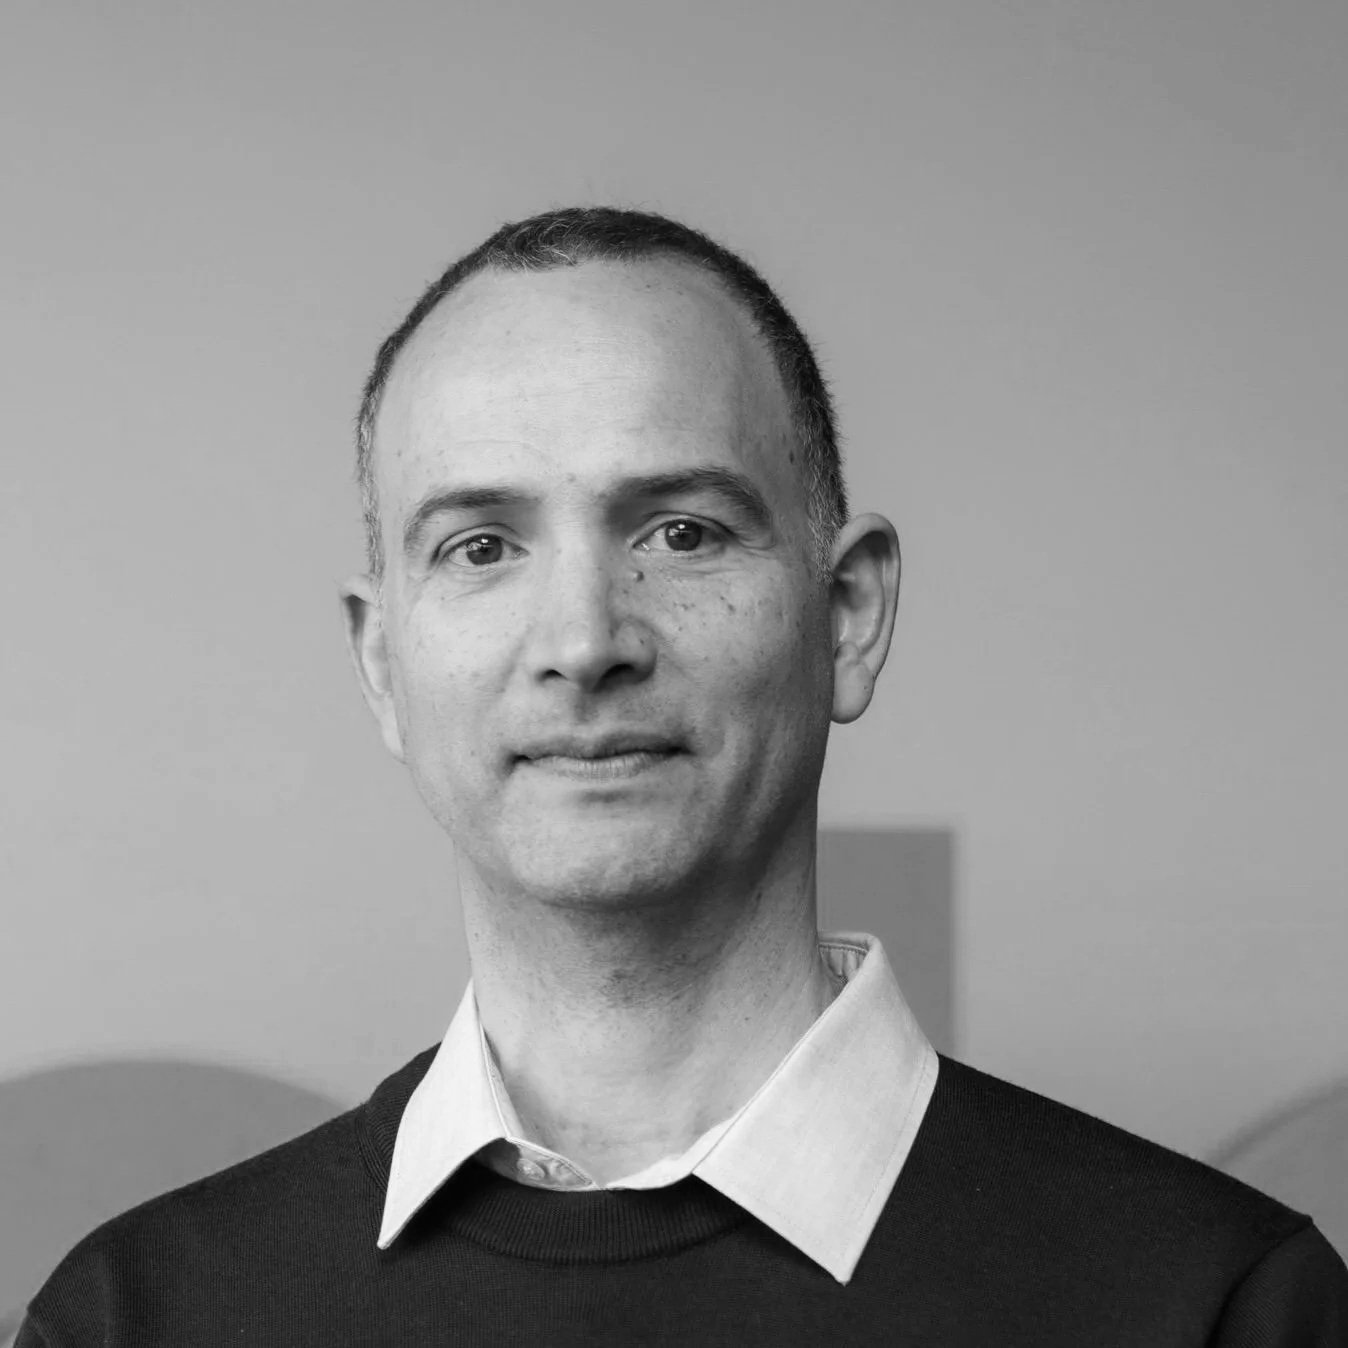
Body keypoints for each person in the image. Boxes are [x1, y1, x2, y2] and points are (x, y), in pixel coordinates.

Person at [18, 207, 1348, 1346]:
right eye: (482, 546)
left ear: (848, 615)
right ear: (382, 664)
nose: (587, 640)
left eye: (683, 529)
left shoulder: (1220, 1309)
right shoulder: (141, 1317)